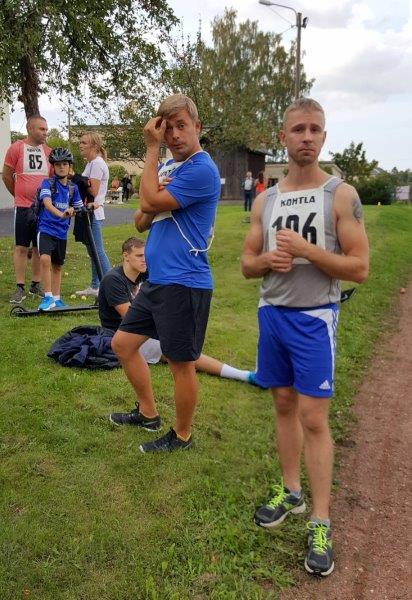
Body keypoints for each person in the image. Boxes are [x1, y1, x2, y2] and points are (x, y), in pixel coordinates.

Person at [241, 98, 369, 577]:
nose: (307, 137)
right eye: (299, 129)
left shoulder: (340, 194)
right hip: (272, 314)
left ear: (324, 136)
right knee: (282, 402)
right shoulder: (266, 200)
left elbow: (359, 267)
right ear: (284, 137)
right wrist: (266, 261)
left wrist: (309, 251)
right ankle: (291, 491)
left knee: (313, 416)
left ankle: (320, 520)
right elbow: (247, 264)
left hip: (315, 318)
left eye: (315, 129)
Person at [109, 93, 221, 453]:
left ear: (197, 126)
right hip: (157, 281)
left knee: (180, 363)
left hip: (185, 281)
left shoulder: (202, 169)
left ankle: (182, 435)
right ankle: (148, 413)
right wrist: (155, 193)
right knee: (123, 345)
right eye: (167, 128)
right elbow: (140, 220)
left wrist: (151, 151)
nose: (173, 135)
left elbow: (148, 202)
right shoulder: (170, 169)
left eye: (181, 126)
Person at [99, 237, 255, 383]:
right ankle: (243, 375)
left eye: (146, 255)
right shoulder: (113, 280)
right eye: (139, 256)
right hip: (122, 336)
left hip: (142, 331)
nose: (144, 259)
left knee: (181, 343)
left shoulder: (143, 273)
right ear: (125, 256)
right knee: (182, 355)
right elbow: (130, 319)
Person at [2, 115, 51, 303]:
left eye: (46, 129)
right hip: (23, 207)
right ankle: (20, 287)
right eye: (41, 129)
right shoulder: (16, 148)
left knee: (39, 247)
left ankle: (35, 284)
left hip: (43, 209)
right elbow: (6, 175)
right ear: (30, 128)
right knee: (21, 246)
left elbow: (52, 178)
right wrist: (18, 195)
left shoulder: (48, 151)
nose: (45, 132)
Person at [37, 148, 83, 310]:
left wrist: (76, 209)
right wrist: (62, 214)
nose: (61, 167)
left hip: (62, 232)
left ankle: (56, 299)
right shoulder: (47, 183)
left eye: (64, 164)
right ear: (53, 167)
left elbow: (78, 208)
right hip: (46, 228)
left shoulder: (73, 188)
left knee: (57, 265)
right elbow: (47, 203)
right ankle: (48, 297)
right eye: (58, 165)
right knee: (45, 259)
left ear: (70, 166)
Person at [75, 132, 112, 297]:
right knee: (92, 252)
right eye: (80, 142)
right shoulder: (91, 163)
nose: (80, 145)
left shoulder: (97, 164)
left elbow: (93, 191)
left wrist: (76, 178)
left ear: (94, 146)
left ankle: (112, 287)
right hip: (88, 212)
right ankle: (95, 286)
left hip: (94, 212)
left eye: (84, 142)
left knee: (98, 251)